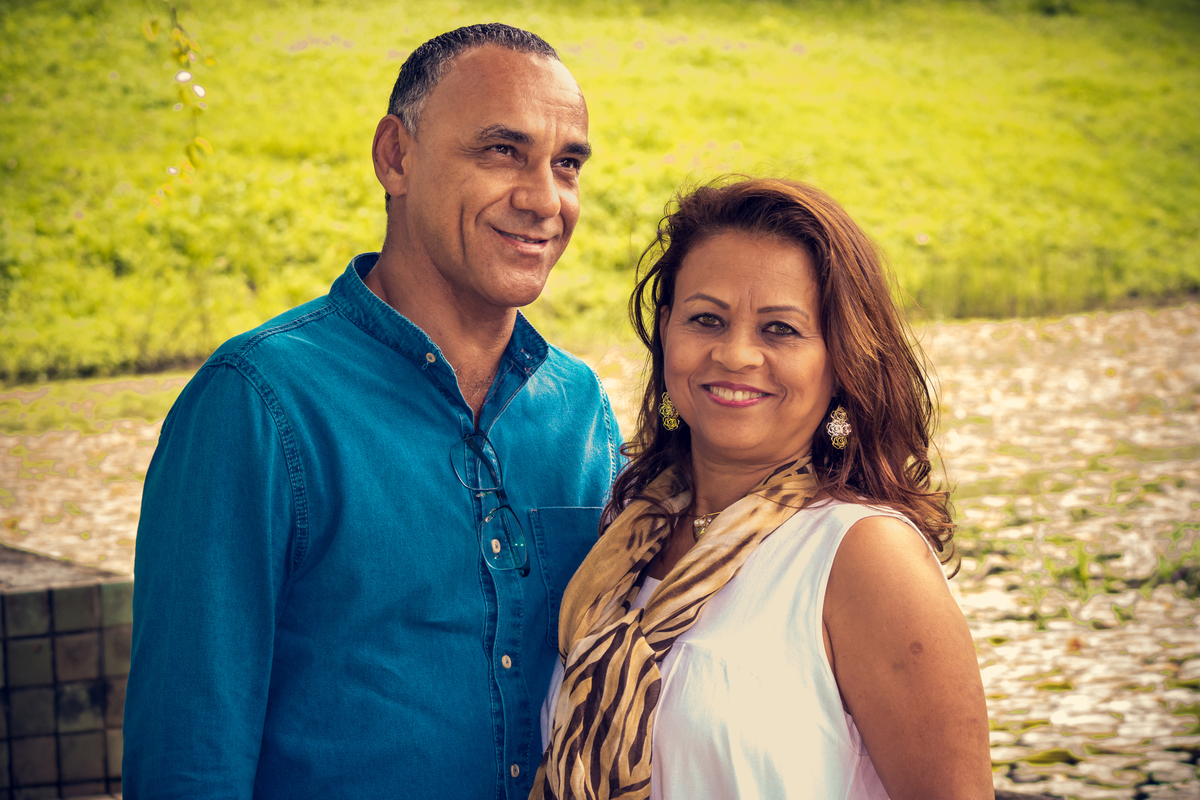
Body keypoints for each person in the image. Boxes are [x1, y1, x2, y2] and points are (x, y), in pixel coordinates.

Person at [124, 24, 622, 799]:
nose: (544, 199)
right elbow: (189, 761)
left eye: (567, 165)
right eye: (502, 151)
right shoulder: (256, 405)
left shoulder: (581, 409)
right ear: (396, 157)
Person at [535, 178, 993, 799]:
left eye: (779, 329)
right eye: (707, 319)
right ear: (667, 331)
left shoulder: (865, 557)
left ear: (842, 358)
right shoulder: (625, 536)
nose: (735, 354)